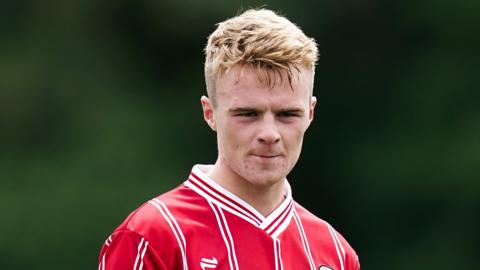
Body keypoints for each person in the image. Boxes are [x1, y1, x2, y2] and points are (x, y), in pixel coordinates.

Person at [98, 8, 360, 270]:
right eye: (248, 113)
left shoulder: (336, 255)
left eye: (287, 114)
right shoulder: (152, 238)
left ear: (310, 114)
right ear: (210, 113)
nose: (269, 134)